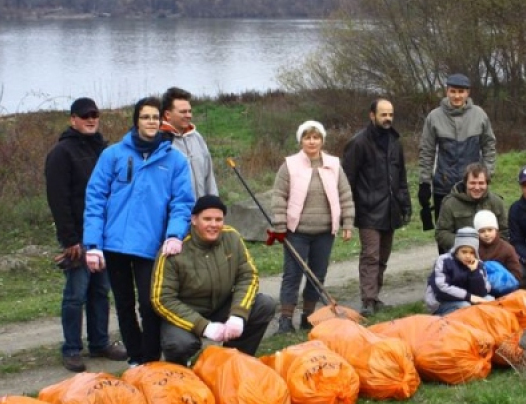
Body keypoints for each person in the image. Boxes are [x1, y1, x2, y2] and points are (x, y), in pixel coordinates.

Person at [84, 96, 195, 366]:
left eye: (155, 118)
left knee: (150, 304)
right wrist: (93, 243)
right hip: (115, 244)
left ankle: (152, 357)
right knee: (123, 304)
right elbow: (95, 198)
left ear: (162, 121)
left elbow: (182, 202)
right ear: (136, 120)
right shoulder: (113, 155)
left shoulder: (175, 160)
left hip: (152, 245)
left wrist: (174, 234)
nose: (151, 122)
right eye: (145, 117)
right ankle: (135, 358)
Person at [44, 97, 127, 372]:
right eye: (84, 115)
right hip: (77, 236)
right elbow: (58, 199)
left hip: (102, 235)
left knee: (101, 290)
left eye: (95, 114)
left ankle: (100, 342)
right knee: (76, 293)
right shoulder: (61, 153)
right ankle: (71, 349)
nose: (91, 119)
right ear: (73, 120)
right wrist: (70, 240)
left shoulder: (104, 149)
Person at [151, 195, 276, 365]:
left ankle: (233, 361)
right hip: (187, 311)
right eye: (207, 219)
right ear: (194, 220)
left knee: (264, 305)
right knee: (179, 344)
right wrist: (204, 326)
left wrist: (238, 315)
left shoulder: (232, 237)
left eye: (218, 219)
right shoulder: (174, 249)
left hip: (220, 305)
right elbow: (161, 299)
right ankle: (181, 371)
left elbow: (248, 276)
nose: (214, 224)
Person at [270, 120, 355, 334]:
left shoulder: (333, 165)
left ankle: (309, 317)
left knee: (318, 275)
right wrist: (280, 225)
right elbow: (279, 196)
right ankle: (285, 319)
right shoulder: (289, 165)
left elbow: (345, 194)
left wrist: (348, 223)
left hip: (325, 232)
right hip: (296, 232)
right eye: (307, 137)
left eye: (316, 137)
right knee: (292, 275)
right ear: (301, 140)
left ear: (322, 140)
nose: (312, 141)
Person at [342, 98, 411, 317]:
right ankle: (368, 300)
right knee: (370, 255)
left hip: (391, 209)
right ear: (372, 115)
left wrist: (405, 204)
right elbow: (347, 179)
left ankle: (376, 295)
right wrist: (348, 211)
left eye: (390, 114)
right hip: (368, 209)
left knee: (383, 256)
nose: (388, 118)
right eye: (383, 114)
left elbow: (401, 176)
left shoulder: (395, 141)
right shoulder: (359, 143)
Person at [418, 73, 496, 229]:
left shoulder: (479, 115)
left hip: (473, 185)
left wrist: (486, 174)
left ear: (468, 93)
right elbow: (427, 152)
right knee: (445, 233)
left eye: (461, 92)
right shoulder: (434, 117)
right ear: (447, 91)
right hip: (444, 186)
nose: (457, 96)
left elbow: (489, 146)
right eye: (453, 91)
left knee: (475, 233)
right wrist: (424, 183)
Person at [434, 162, 507, 254]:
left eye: (481, 183)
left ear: (487, 183)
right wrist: (465, 243)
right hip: (461, 255)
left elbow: (505, 231)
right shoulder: (450, 203)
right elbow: (441, 233)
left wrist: (490, 246)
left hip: (492, 254)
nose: (477, 187)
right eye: (472, 183)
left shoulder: (496, 202)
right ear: (465, 183)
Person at [160, 87, 219, 198]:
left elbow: (209, 177)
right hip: (176, 213)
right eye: (183, 112)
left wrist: (214, 206)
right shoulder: (160, 142)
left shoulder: (197, 138)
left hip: (201, 211)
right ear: (168, 115)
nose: (188, 115)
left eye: (189, 111)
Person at [424, 227, 492, 316]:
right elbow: (441, 288)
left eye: (472, 253)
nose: (468, 256)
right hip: (442, 302)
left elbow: (482, 292)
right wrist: (469, 297)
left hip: (467, 298)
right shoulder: (444, 261)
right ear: (457, 250)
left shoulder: (478, 264)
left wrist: (474, 272)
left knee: (490, 300)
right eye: (464, 252)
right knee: (464, 306)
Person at [473, 210, 522, 283]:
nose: (487, 234)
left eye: (490, 230)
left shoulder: (507, 248)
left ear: (496, 230)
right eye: (482, 231)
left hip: (504, 288)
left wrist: (501, 281)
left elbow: (517, 274)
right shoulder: (473, 248)